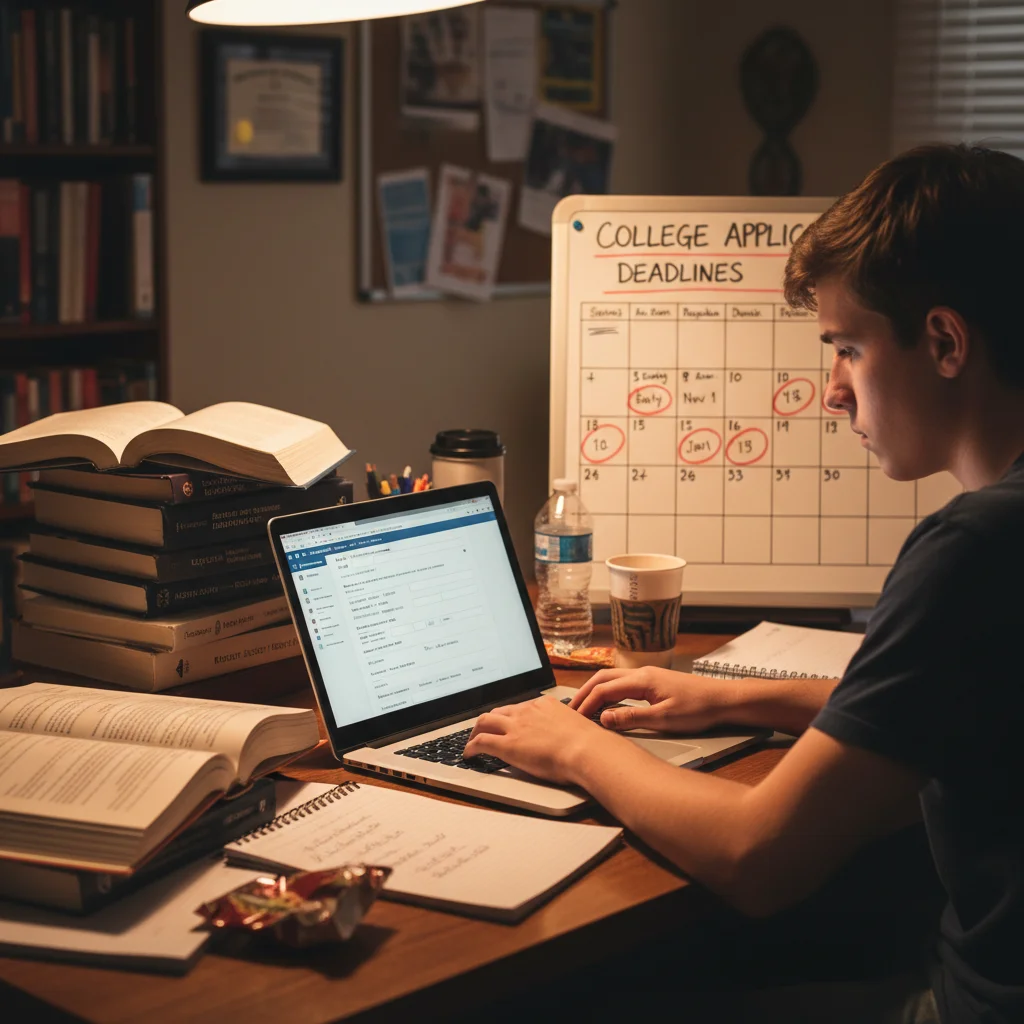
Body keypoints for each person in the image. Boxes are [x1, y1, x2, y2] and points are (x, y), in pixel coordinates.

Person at [465, 144, 1024, 1024]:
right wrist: (735, 698)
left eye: (847, 348)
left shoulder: (975, 547)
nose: (832, 394)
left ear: (946, 342)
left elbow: (758, 860)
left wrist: (570, 743)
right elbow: (947, 704)